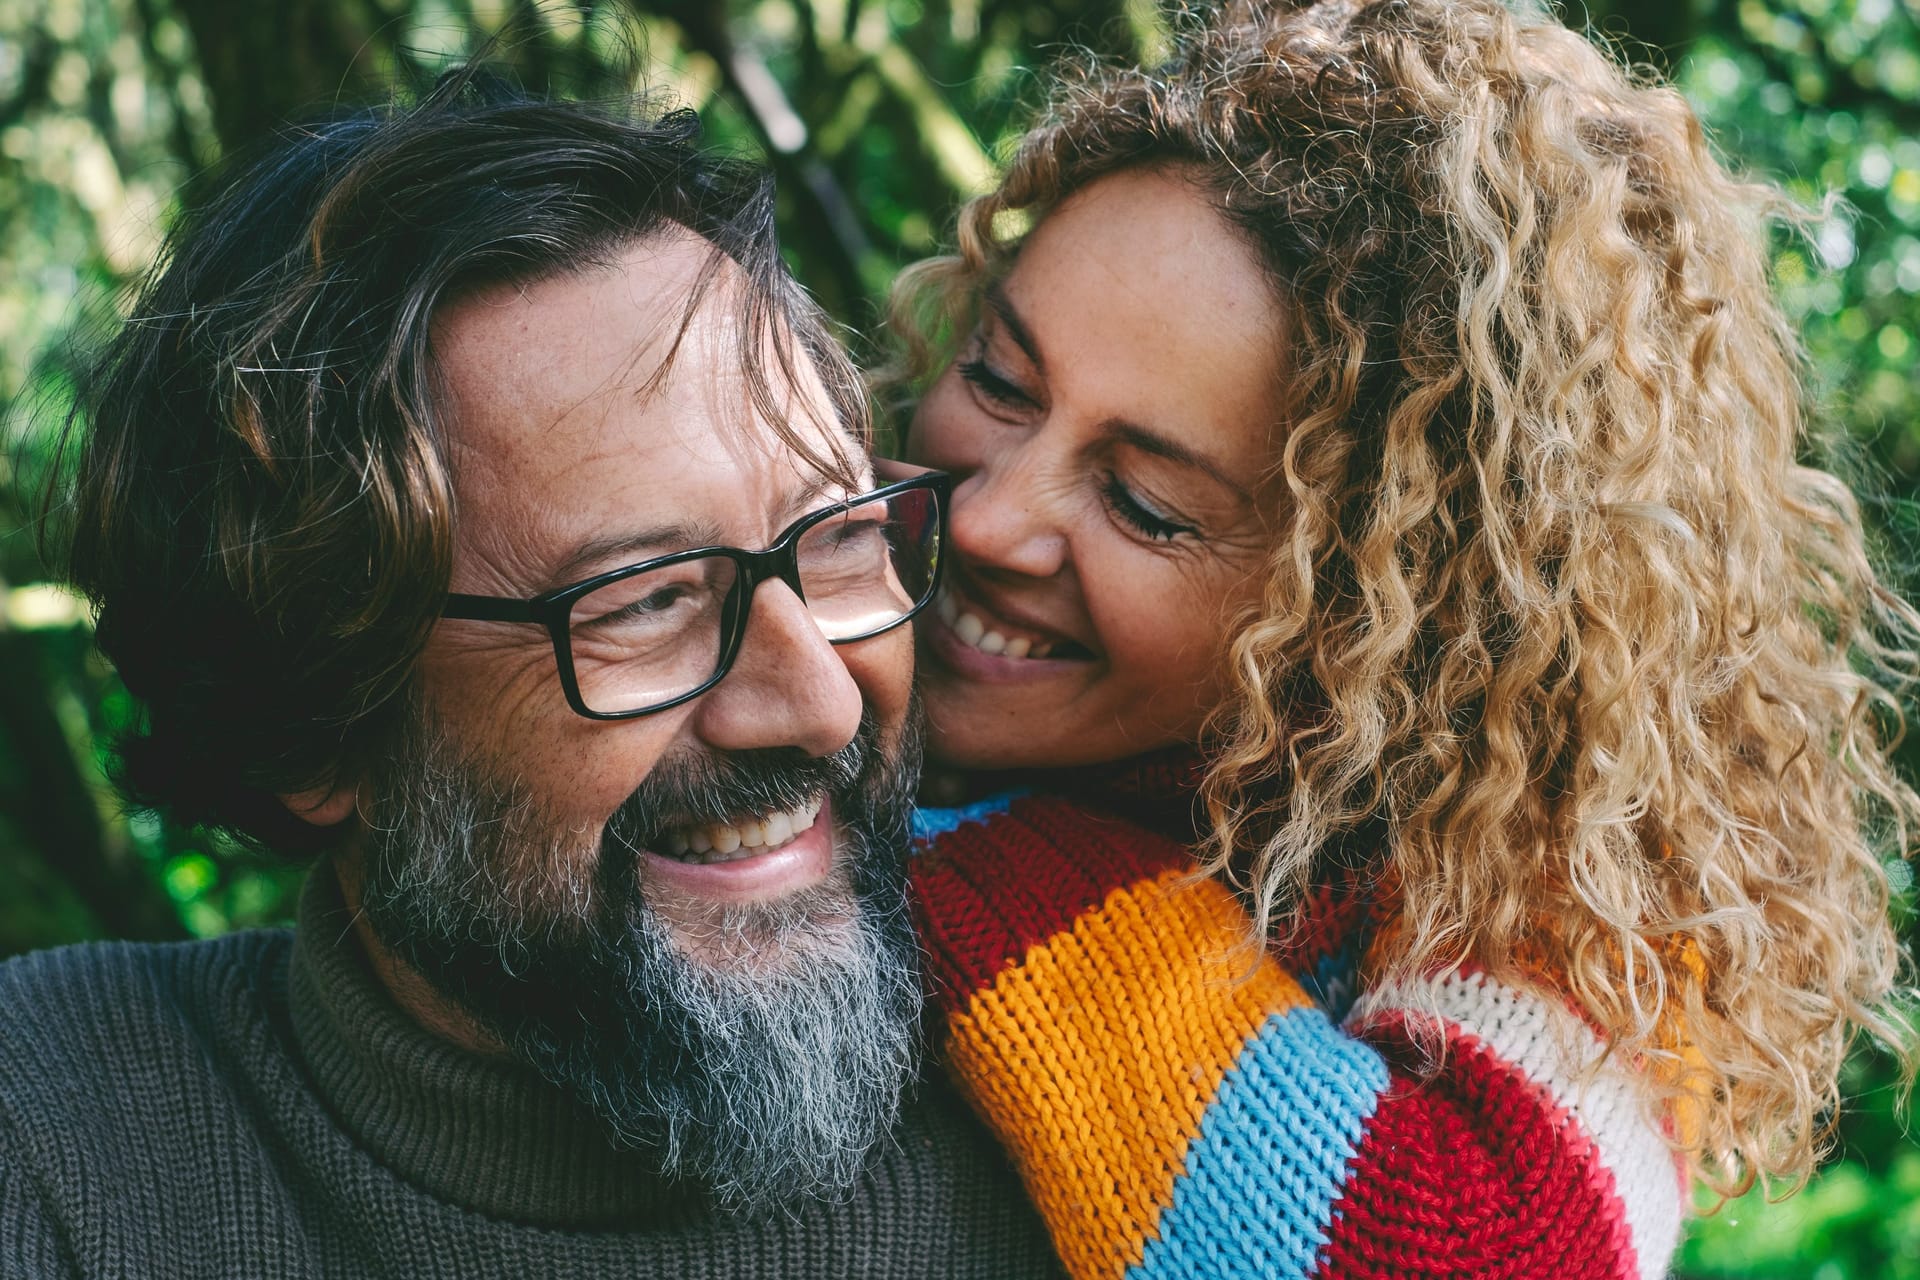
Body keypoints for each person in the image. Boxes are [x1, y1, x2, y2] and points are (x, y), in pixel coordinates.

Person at [889, 0, 1920, 1276]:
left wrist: (946, 867)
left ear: (1371, 604)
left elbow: (1470, 1251)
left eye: (1148, 506)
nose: (986, 516)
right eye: (998, 377)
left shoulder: (1542, 866)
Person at [0, 76, 1062, 1278]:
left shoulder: (1145, 1094)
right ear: (315, 733)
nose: (818, 701)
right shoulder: (48, 1142)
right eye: (646, 601)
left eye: (836, 540)